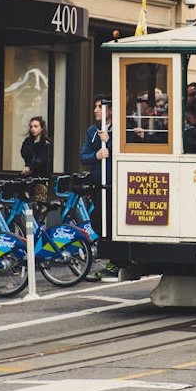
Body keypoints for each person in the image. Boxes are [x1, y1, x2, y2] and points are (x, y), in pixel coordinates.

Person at [79, 97, 119, 281]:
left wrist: (109, 142)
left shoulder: (118, 129)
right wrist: (96, 154)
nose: (95, 110)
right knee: (98, 221)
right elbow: (84, 156)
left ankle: (116, 261)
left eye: (99, 107)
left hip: (114, 182)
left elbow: (122, 152)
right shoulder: (92, 131)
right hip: (98, 181)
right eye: (95, 106)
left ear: (109, 110)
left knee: (111, 222)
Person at [20, 116, 51, 200]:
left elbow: (41, 159)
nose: (33, 129)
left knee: (39, 202)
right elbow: (23, 153)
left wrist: (30, 167)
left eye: (36, 126)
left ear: (41, 128)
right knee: (26, 200)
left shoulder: (45, 143)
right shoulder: (28, 141)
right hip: (28, 176)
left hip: (40, 177)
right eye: (31, 126)